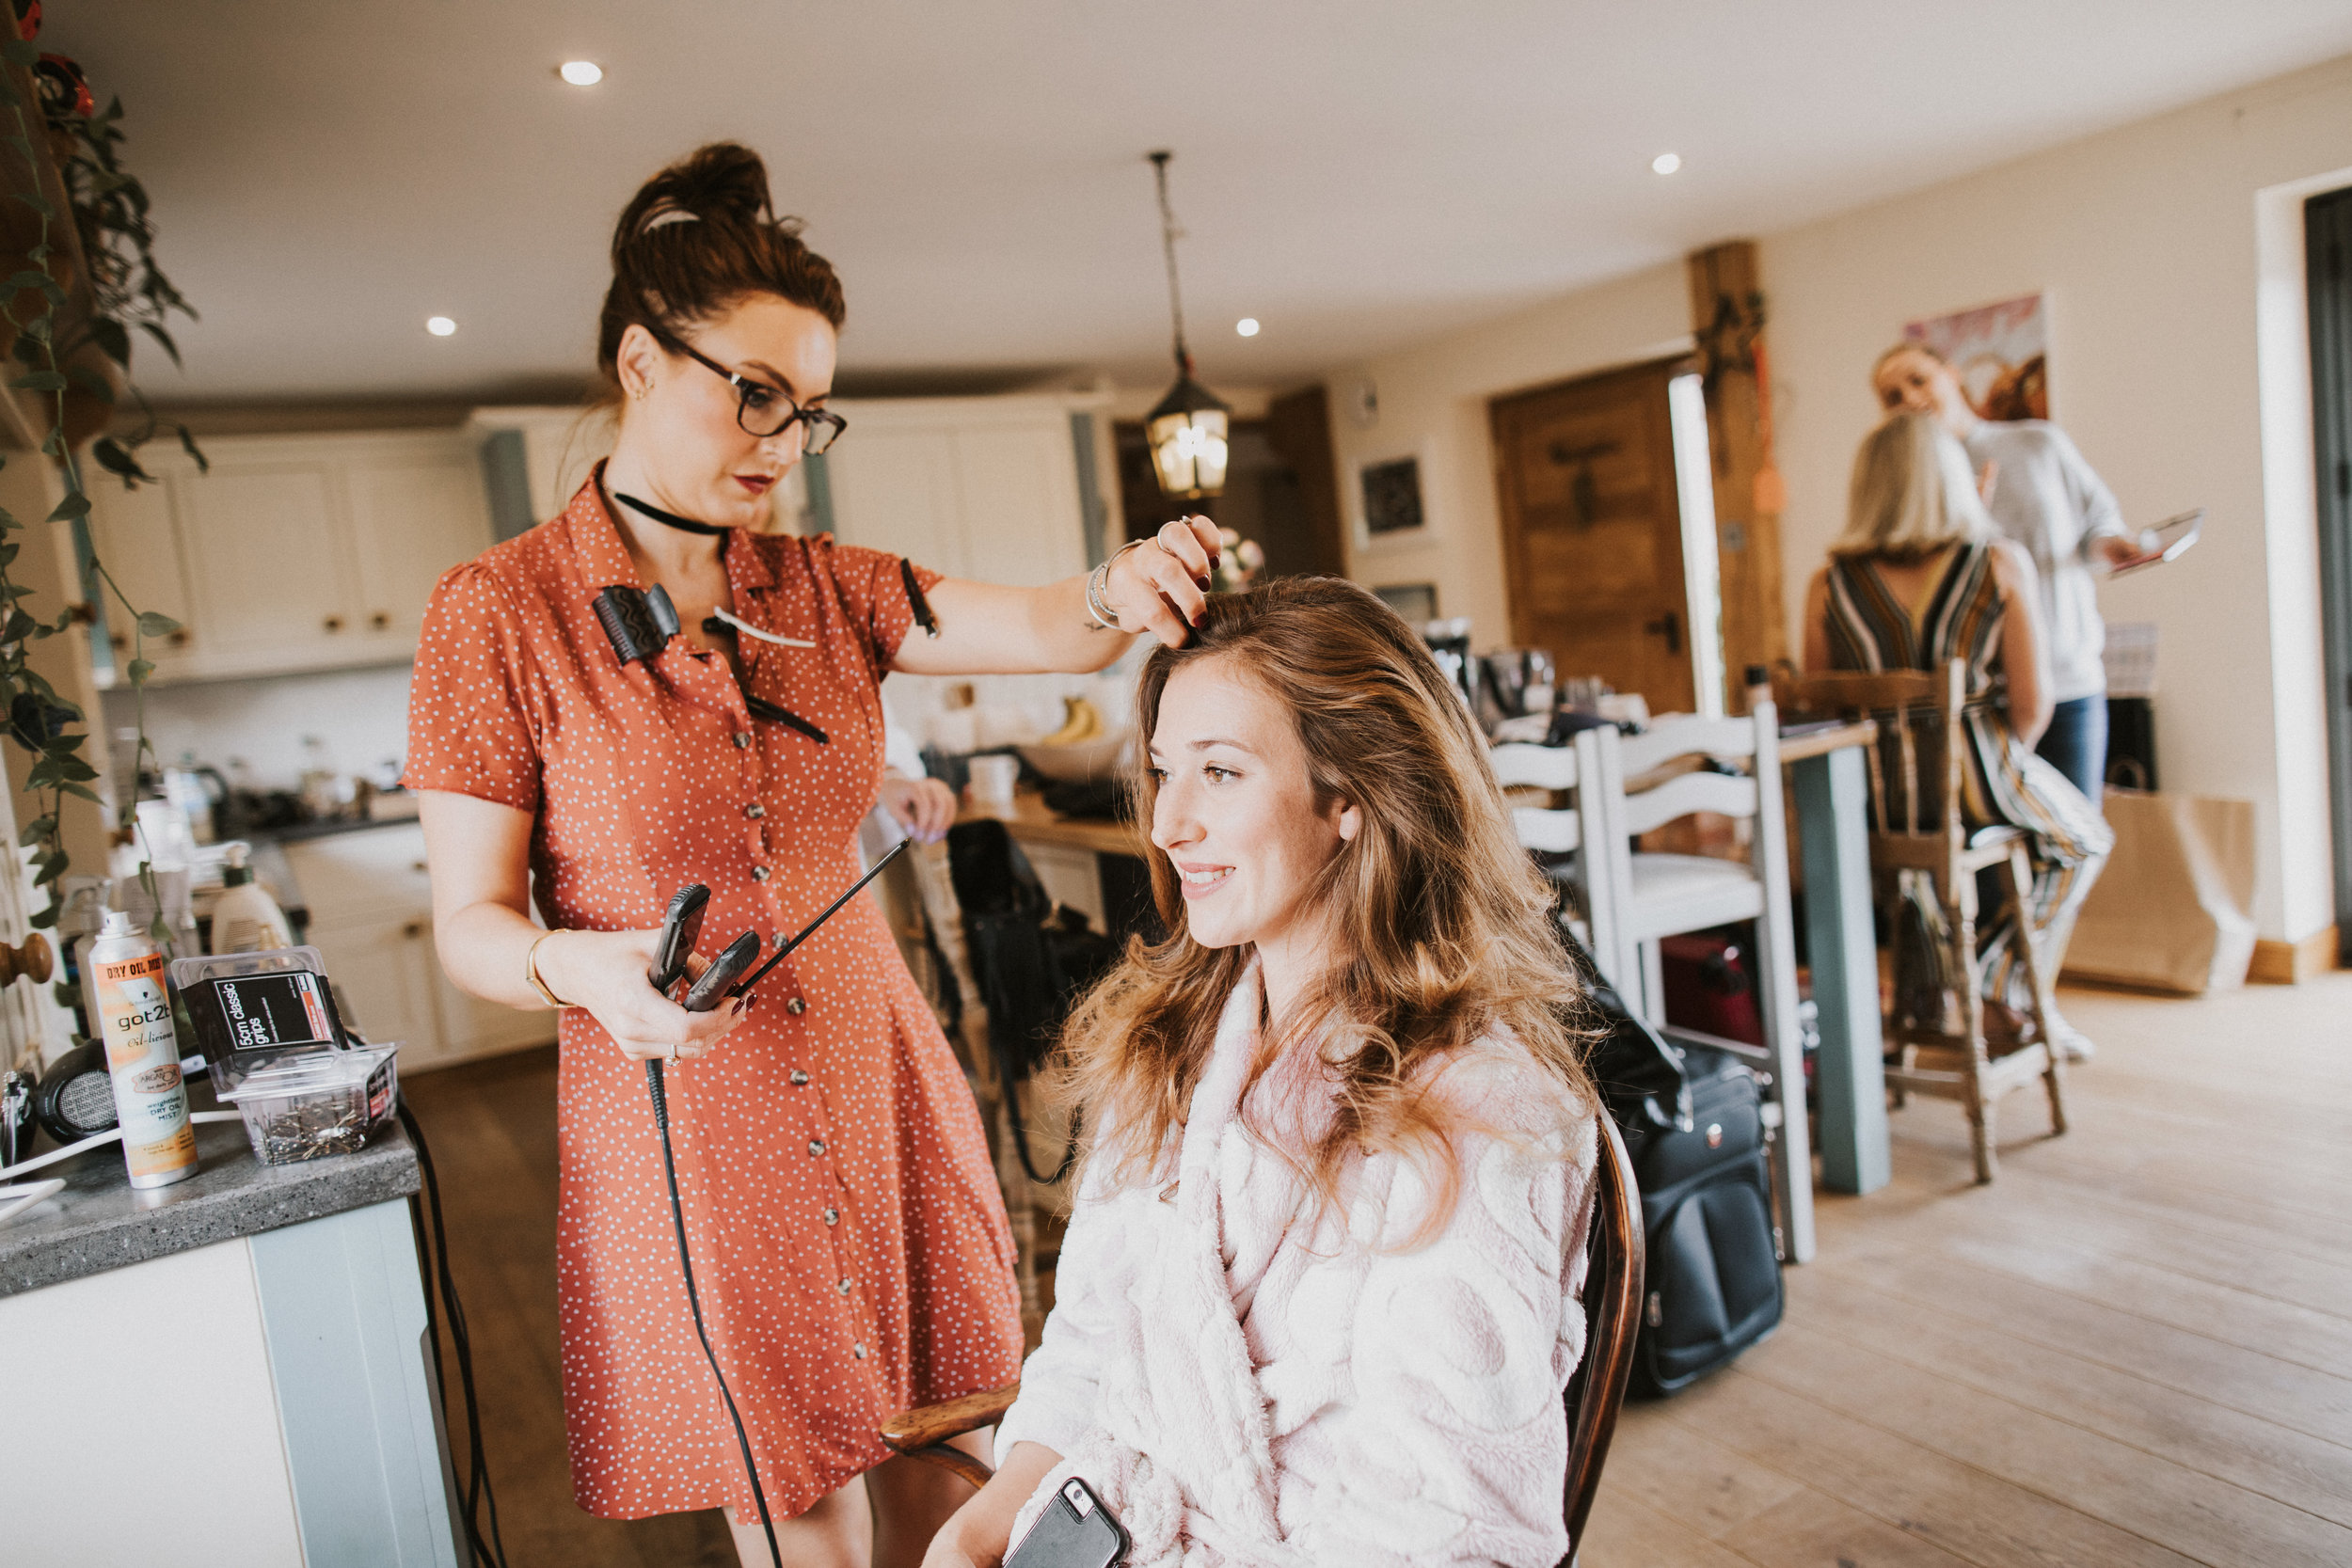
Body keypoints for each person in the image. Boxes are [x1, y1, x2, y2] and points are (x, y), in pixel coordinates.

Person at [404, 142, 1223, 1568]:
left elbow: (1040, 622)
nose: (782, 440)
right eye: (755, 393)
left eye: (810, 413)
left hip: (876, 1061)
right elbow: (469, 920)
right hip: (689, 1110)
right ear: (640, 362)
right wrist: (581, 965)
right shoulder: (497, 611)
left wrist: (1123, 579)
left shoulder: (818, 588)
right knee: (803, 1506)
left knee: (953, 1450)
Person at [924, 578, 1601, 1568]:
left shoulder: (1470, 1116)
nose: (1167, 824)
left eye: (1223, 772)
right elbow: (1091, 1343)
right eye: (1163, 771)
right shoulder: (1174, 1045)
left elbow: (1443, 1532)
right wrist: (972, 1536)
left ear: (1352, 799)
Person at [1803, 412, 2113, 1048]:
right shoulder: (1998, 564)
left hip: (1874, 798)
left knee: (1920, 876)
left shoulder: (1827, 585)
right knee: (2084, 840)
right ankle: (1997, 984)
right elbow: (2032, 702)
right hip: (1976, 776)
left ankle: (1933, 993)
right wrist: (1996, 769)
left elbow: (1817, 705)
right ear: (1952, 478)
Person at [1873, 341, 2151, 799]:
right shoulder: (1911, 490)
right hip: (1976, 701)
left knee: (2076, 842)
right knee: (1991, 858)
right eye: (1892, 395)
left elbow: (2097, 521)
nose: (1909, 398)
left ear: (1952, 373)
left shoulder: (2039, 443)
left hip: (2068, 685)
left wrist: (2112, 545)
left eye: (1918, 380)